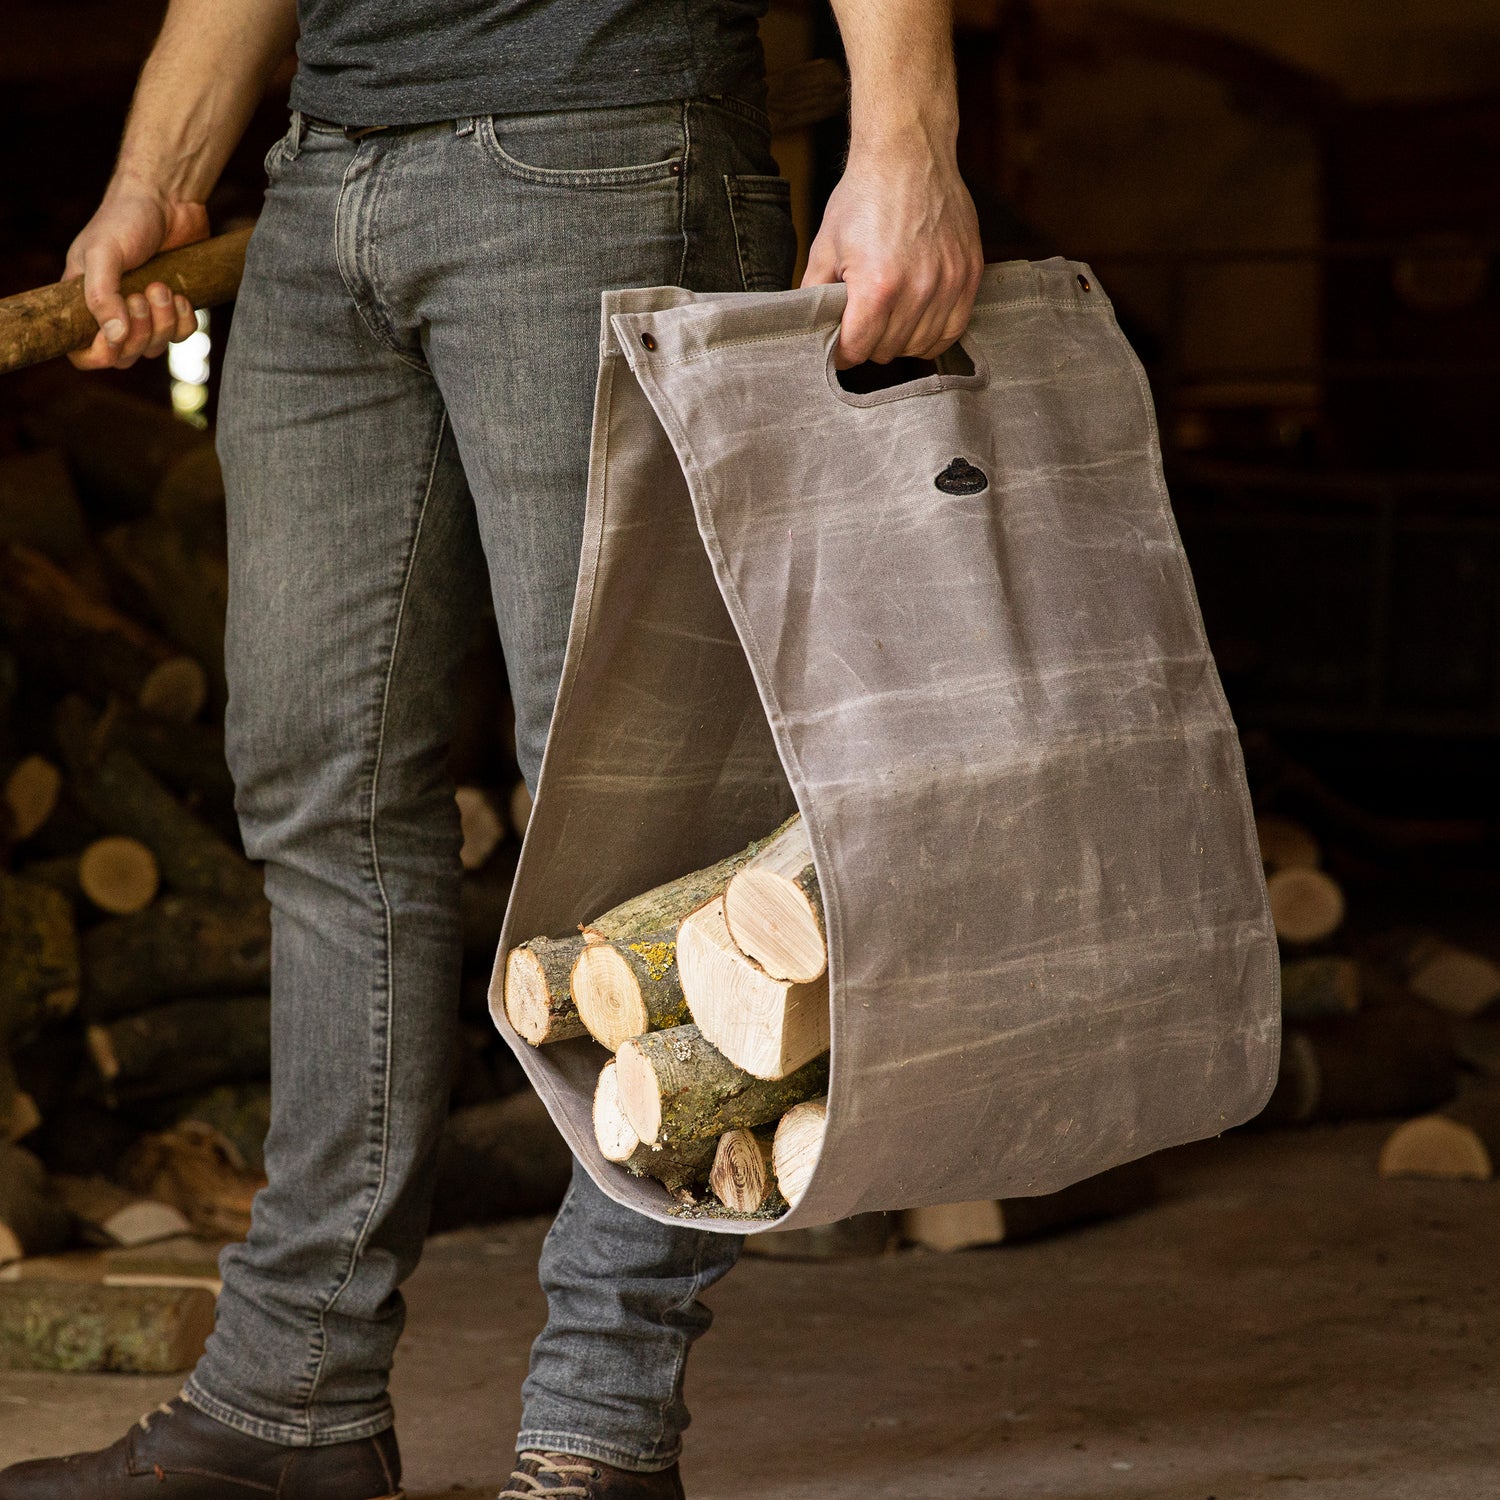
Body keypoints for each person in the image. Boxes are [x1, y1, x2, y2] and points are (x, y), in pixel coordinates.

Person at [0, 0, 980, 1493]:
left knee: (638, 807)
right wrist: (159, 169)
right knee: (317, 797)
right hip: (325, 183)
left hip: (606, 145)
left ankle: (601, 1418)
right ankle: (291, 1396)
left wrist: (906, 138)